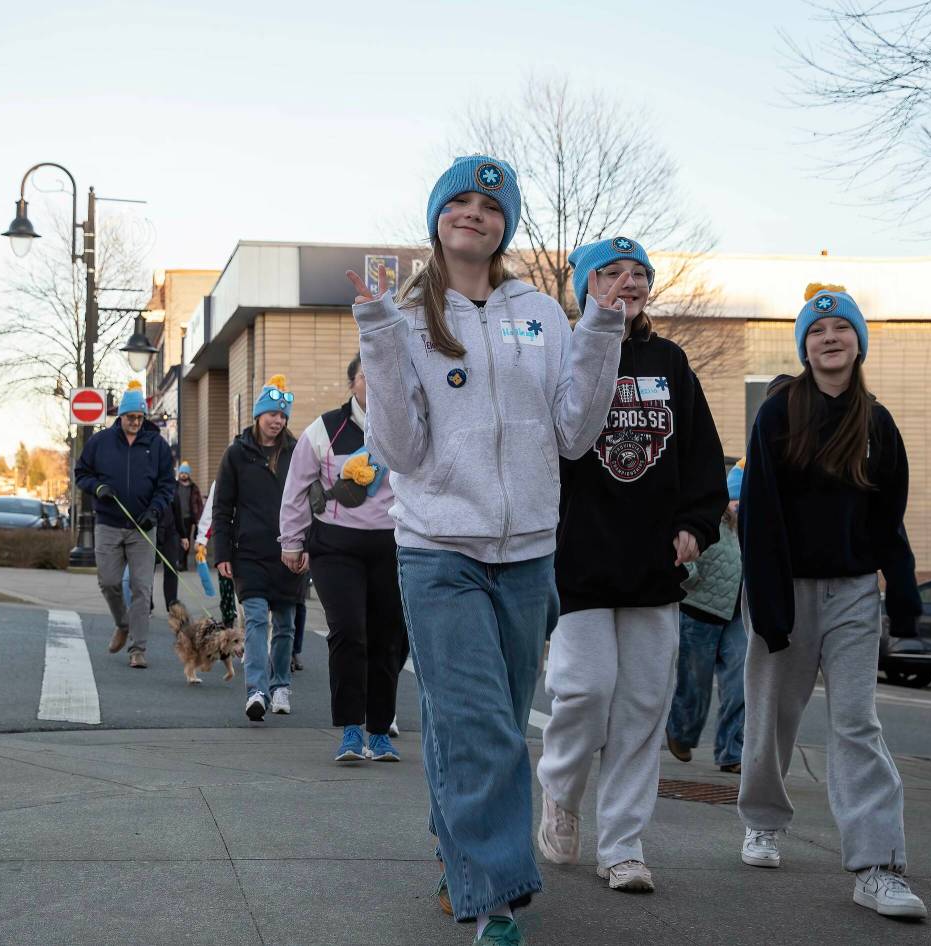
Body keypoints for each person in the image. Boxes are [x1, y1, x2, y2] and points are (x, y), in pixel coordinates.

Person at [348, 154, 626, 945]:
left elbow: (576, 432)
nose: (474, 213)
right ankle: (498, 903)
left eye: (490, 206)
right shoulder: (403, 314)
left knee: (485, 723)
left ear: (507, 225)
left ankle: (462, 863)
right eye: (459, 201)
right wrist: (376, 339)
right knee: (479, 729)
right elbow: (398, 450)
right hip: (438, 549)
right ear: (436, 215)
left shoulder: (540, 311)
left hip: (530, 552)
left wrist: (602, 327)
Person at [534, 236, 727, 895]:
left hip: (652, 566)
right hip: (579, 563)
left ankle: (622, 845)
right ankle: (559, 789)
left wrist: (696, 528)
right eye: (611, 272)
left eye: (638, 272)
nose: (628, 282)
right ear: (586, 286)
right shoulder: (566, 355)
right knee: (584, 692)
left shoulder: (669, 361)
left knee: (643, 707)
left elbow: (703, 459)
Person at [738, 285, 927, 920]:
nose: (829, 339)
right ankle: (762, 821)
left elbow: (887, 516)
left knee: (857, 724)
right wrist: (768, 604)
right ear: (804, 346)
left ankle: (878, 865)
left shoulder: (876, 422)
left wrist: (900, 591)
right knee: (771, 717)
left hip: (850, 593)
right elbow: (760, 515)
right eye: (816, 332)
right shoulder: (777, 414)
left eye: (840, 329)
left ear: (857, 341)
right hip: (783, 588)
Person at [280, 353, 407, 763]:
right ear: (352, 383)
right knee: (349, 631)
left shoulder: (406, 427)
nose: (373, 383)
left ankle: (380, 730)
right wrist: (291, 541)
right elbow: (297, 489)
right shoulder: (325, 430)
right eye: (366, 376)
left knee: (387, 638)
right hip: (335, 547)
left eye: (381, 375)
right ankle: (351, 731)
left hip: (392, 545)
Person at [211, 374, 305, 722]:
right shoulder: (237, 454)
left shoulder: (297, 453)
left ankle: (280, 685)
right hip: (248, 552)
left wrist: (307, 545)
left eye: (282, 416)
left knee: (284, 623)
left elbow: (311, 501)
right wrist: (222, 553)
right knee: (254, 621)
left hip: (289, 551)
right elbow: (223, 507)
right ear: (258, 415)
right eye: (271, 414)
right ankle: (256, 691)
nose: (277, 421)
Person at [74, 380, 175, 669]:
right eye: (131, 417)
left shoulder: (156, 445)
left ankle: (137, 649)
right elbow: (81, 473)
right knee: (108, 581)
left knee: (142, 588)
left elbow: (166, 485)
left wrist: (154, 511)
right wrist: (97, 488)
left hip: (143, 527)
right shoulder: (100, 442)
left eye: (140, 418)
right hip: (108, 523)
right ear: (121, 416)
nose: (135, 422)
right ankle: (123, 623)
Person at [666, 461, 746, 773]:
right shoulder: (713, 519)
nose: (739, 504)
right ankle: (682, 733)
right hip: (700, 611)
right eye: (735, 498)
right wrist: (689, 574)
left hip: (738, 616)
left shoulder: (751, 526)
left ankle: (732, 751)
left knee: (740, 683)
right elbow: (684, 548)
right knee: (694, 684)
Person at [196, 482, 238, 628]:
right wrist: (202, 539)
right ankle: (228, 624)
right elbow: (212, 511)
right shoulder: (224, 476)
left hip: (254, 541)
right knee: (227, 586)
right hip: (228, 540)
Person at [173, 462, 203, 570]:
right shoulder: (174, 486)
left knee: (187, 541)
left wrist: (199, 518)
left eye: (186, 473)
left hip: (188, 518)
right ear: (179, 473)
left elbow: (199, 503)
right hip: (176, 517)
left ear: (189, 474)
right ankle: (178, 562)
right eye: (182, 473)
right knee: (177, 540)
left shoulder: (194, 487)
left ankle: (183, 563)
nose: (183, 475)